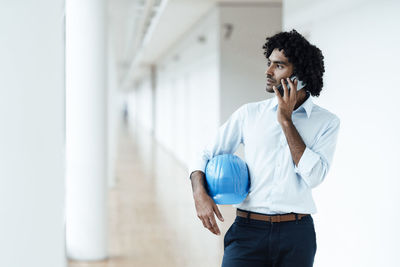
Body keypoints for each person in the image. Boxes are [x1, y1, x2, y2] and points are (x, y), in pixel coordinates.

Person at [189, 30, 340, 267]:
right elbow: (205, 154)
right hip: (247, 232)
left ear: (300, 75)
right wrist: (199, 194)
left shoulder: (326, 122)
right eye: (269, 63)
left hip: (296, 235)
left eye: (278, 65)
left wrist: (286, 121)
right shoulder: (249, 114)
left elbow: (314, 177)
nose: (268, 72)